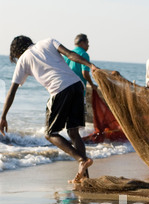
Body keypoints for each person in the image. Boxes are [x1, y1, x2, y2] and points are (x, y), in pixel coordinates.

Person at [0, 36, 98, 183]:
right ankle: (85, 178)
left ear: (17, 52)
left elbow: (12, 91)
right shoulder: (48, 41)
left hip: (59, 90)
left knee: (50, 133)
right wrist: (90, 65)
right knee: (73, 132)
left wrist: (3, 116)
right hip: (78, 86)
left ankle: (82, 160)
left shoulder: (23, 60)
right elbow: (71, 54)